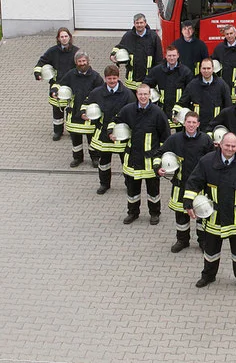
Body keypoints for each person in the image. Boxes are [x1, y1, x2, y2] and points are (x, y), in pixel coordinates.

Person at [184, 133, 236, 290]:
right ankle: (208, 276)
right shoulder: (207, 161)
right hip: (214, 218)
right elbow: (194, 182)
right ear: (220, 144)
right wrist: (188, 202)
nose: (230, 149)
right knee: (211, 252)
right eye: (227, 145)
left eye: (233, 146)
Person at [109, 83, 171, 225]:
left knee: (153, 191)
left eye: (145, 94)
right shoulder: (128, 110)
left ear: (150, 95)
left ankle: (154, 213)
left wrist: (161, 158)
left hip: (150, 160)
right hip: (132, 158)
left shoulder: (158, 113)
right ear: (136, 95)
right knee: (132, 190)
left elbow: (166, 137)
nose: (143, 97)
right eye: (140, 94)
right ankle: (132, 212)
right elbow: (115, 121)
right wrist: (111, 132)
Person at [153, 111, 213, 253]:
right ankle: (182, 240)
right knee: (181, 215)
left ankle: (203, 241)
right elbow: (159, 153)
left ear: (198, 124)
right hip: (180, 185)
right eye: (189, 122)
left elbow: (213, 160)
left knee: (202, 215)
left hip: (200, 186)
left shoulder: (206, 140)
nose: (191, 125)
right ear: (184, 123)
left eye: (194, 122)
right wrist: (158, 167)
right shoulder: (174, 139)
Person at [82, 65, 135, 194]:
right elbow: (87, 104)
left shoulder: (127, 94)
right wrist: (83, 113)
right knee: (104, 162)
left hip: (121, 134)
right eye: (109, 78)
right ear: (105, 78)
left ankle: (129, 185)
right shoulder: (97, 93)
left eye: (114, 78)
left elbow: (133, 112)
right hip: (103, 134)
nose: (112, 81)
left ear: (118, 77)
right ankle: (104, 184)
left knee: (126, 162)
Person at [53, 51, 103, 168]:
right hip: (74, 112)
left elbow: (102, 92)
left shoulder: (95, 76)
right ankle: (77, 158)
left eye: (84, 61)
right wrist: (54, 91)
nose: (82, 63)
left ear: (88, 61)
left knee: (92, 138)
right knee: (75, 139)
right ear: (76, 62)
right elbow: (60, 84)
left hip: (90, 113)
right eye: (79, 61)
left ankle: (95, 158)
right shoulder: (71, 74)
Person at [33, 27, 79, 141]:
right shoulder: (52, 51)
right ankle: (58, 131)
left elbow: (82, 66)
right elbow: (41, 61)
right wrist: (38, 73)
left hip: (71, 85)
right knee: (57, 109)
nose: (64, 38)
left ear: (70, 37)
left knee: (71, 109)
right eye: (61, 37)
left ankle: (72, 130)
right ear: (58, 38)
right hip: (56, 84)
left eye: (66, 36)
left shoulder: (76, 52)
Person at [110, 13, 163, 92]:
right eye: (137, 23)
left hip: (148, 80)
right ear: (134, 24)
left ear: (145, 23)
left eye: (141, 23)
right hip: (131, 82)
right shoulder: (128, 36)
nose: (139, 25)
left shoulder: (153, 37)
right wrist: (113, 55)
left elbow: (159, 58)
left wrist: (157, 75)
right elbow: (119, 47)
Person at [143, 45, 193, 128]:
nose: (172, 58)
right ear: (165, 56)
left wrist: (182, 106)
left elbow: (190, 91)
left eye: (174, 55)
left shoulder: (185, 72)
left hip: (180, 111)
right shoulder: (157, 70)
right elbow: (146, 84)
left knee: (181, 135)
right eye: (169, 55)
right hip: (163, 109)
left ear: (178, 55)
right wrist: (152, 97)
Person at [174, 58, 231, 132]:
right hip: (197, 127)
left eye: (208, 68)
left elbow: (228, 107)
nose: (206, 71)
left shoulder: (222, 85)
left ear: (213, 69)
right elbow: (182, 102)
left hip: (214, 127)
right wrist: (175, 114)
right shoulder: (193, 85)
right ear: (200, 69)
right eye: (204, 68)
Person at [210, 25, 236, 99]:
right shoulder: (219, 48)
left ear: (235, 34)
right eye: (227, 34)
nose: (229, 36)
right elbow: (213, 64)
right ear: (224, 35)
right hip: (222, 83)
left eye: (231, 33)